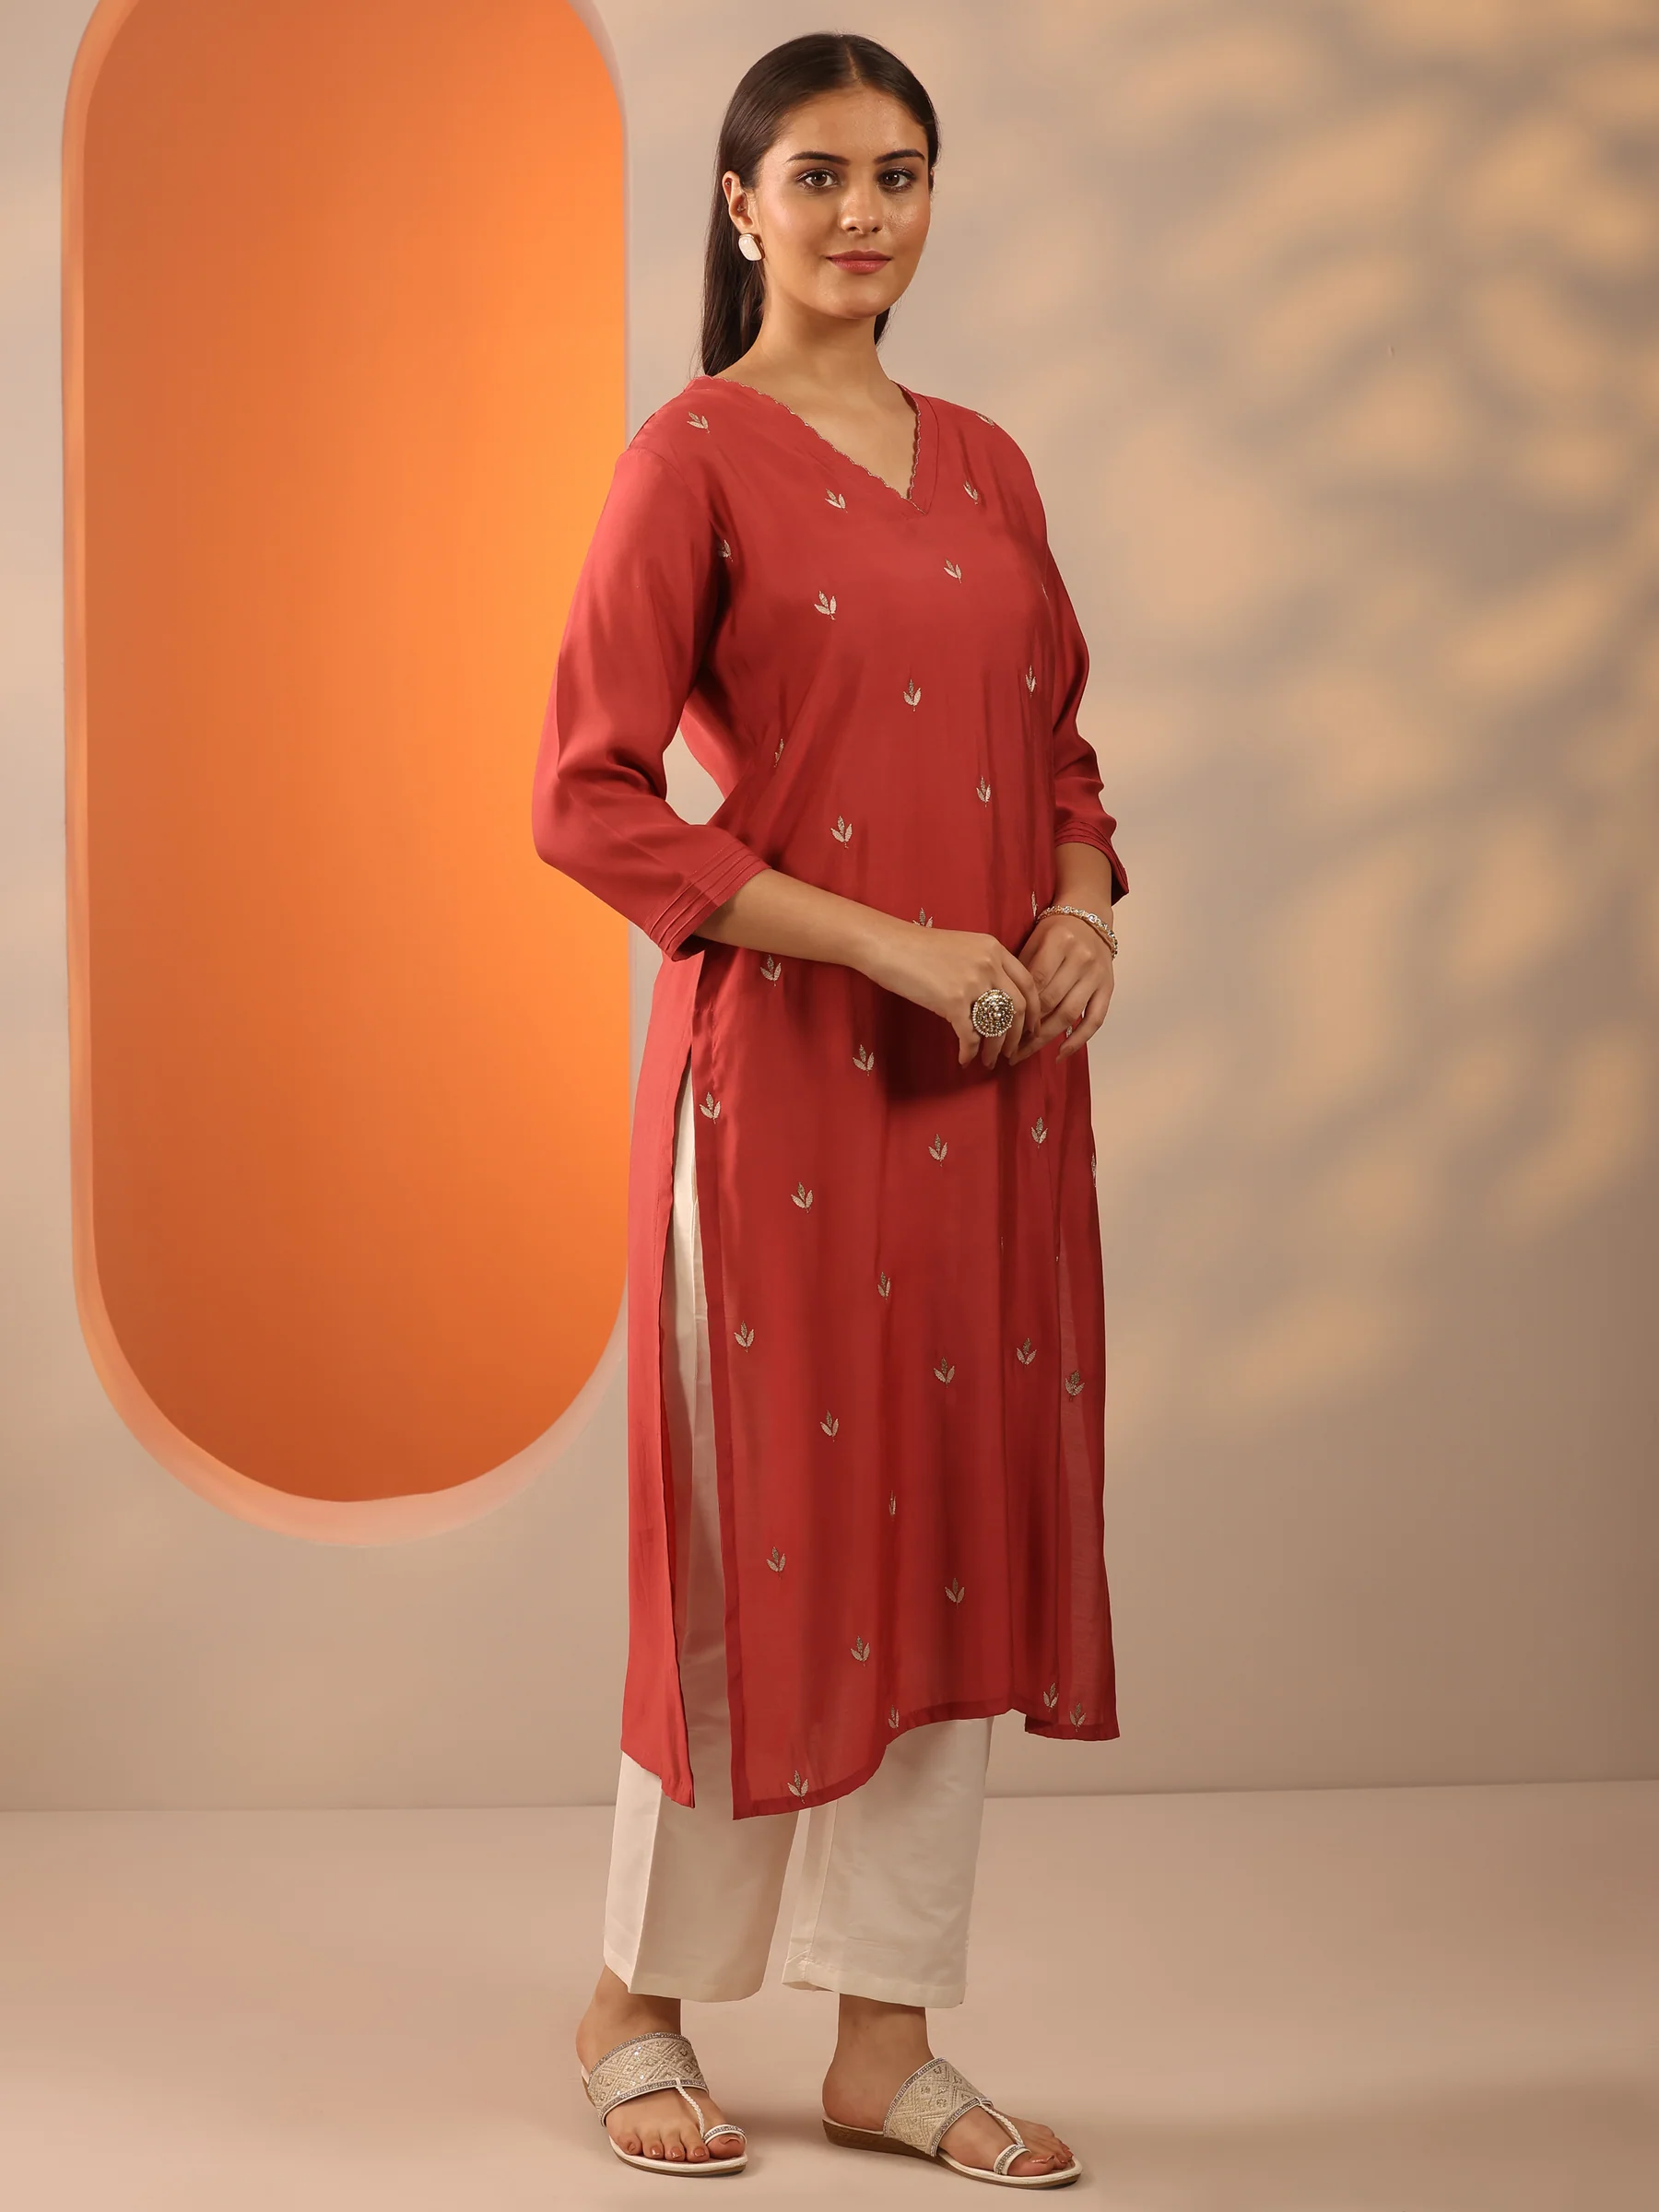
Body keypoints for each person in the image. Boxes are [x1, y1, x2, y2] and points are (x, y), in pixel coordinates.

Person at [531, 30, 1125, 2188]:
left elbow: (1058, 751)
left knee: (947, 1530)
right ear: (740, 205)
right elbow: (587, 797)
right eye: (819, 175)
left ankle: (888, 2039)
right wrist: (886, 944)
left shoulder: (988, 464)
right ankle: (638, 2001)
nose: (864, 213)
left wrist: (1080, 909)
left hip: (991, 1090)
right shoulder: (689, 460)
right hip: (779, 1088)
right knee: (753, 1536)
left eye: (900, 174)